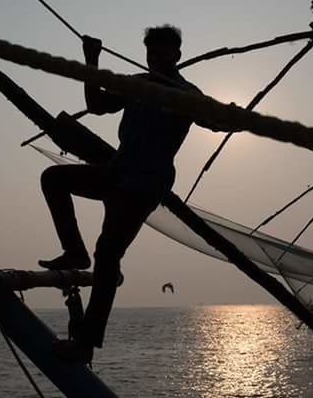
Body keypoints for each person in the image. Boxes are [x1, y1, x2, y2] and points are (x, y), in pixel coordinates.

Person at [38, 25, 202, 363]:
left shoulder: (186, 95)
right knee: (54, 178)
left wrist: (235, 113)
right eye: (151, 53)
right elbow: (96, 104)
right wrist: (91, 60)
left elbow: (218, 121)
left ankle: (85, 344)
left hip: (145, 184)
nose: (155, 58)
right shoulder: (137, 85)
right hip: (116, 173)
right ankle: (74, 251)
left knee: (109, 254)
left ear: (177, 56)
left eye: (163, 53)